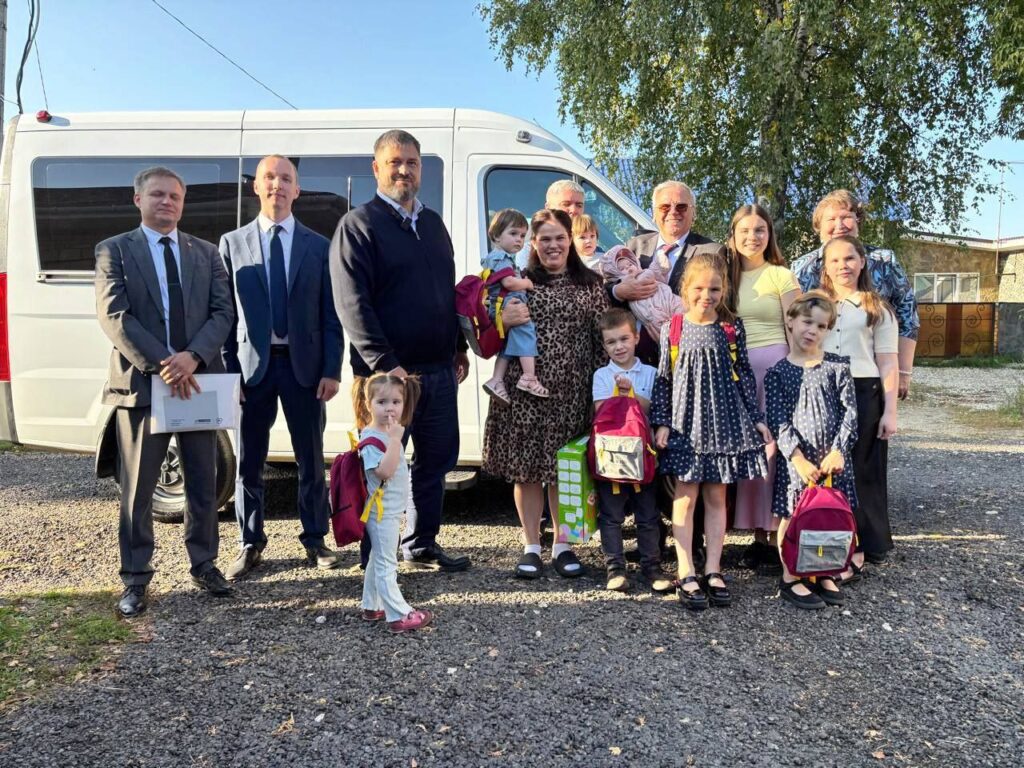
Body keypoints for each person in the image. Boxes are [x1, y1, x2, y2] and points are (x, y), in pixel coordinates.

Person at [95, 166, 235, 617]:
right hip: (143, 386)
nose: (167, 202)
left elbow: (223, 312)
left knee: (204, 482)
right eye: (157, 194)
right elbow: (115, 316)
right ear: (138, 199)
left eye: (175, 196)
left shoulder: (206, 253)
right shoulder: (114, 250)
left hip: (198, 381)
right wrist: (164, 364)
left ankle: (204, 564)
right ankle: (136, 579)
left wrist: (192, 357)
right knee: (138, 490)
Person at [330, 130, 471, 572]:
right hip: (386, 381)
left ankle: (421, 544)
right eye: (395, 162)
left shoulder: (432, 224)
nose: (404, 171)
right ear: (377, 168)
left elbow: (445, 292)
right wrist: (388, 366)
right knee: (379, 468)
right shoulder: (359, 225)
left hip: (437, 372)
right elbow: (352, 304)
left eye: (411, 162)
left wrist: (458, 346)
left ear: (421, 169)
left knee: (436, 462)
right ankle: (376, 559)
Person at [220, 155, 344, 581]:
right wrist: (228, 374)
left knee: (310, 458)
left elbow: (331, 314)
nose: (278, 185)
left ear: (297, 189)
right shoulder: (231, 244)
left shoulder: (319, 246)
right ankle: (250, 542)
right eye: (270, 178)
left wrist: (332, 369)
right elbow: (225, 316)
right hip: (250, 371)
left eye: (286, 178)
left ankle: (315, 538)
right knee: (248, 461)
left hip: (303, 369)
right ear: (256, 186)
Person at [482, 209, 608, 579]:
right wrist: (501, 320)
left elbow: (602, 342)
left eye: (560, 238)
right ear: (534, 243)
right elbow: (487, 326)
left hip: (573, 393)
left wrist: (601, 396)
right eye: (545, 239)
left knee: (562, 471)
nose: (553, 245)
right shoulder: (519, 280)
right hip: (525, 393)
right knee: (527, 472)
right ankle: (532, 546)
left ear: (570, 240)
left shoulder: (591, 284)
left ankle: (563, 545)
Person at [650, 252, 770, 610]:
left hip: (722, 423)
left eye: (715, 289)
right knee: (685, 498)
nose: (707, 295)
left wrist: (756, 417)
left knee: (717, 498)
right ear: (685, 289)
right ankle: (686, 567)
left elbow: (744, 375)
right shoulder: (672, 328)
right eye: (699, 288)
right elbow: (663, 379)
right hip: (685, 426)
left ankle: (714, 568)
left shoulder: (731, 328)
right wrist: (661, 421)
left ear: (724, 289)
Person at [765, 292, 858, 610]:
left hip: (832, 460)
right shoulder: (778, 372)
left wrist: (839, 450)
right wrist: (797, 458)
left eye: (821, 326)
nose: (812, 330)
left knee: (829, 516)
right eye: (807, 322)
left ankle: (824, 571)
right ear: (791, 321)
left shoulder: (837, 366)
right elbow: (778, 420)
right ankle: (791, 576)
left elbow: (850, 413)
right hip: (799, 462)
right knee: (793, 516)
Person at [724, 204, 800, 569]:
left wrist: (797, 374)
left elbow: (796, 326)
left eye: (760, 230)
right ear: (733, 235)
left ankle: (774, 534)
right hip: (736, 372)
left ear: (769, 235)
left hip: (775, 368)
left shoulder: (781, 275)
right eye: (745, 230)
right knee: (749, 449)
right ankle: (754, 532)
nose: (752, 237)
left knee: (774, 448)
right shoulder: (726, 277)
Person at [820, 236, 899, 582]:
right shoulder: (816, 304)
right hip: (824, 390)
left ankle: (861, 546)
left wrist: (890, 411)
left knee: (862, 469)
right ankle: (827, 540)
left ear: (862, 261)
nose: (843, 266)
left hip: (863, 389)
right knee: (829, 468)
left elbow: (888, 361)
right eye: (835, 260)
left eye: (850, 258)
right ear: (826, 266)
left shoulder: (876, 308)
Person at [790, 189, 918, 400]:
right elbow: (793, 321)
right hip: (817, 375)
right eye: (831, 219)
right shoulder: (802, 268)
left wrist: (903, 372)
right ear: (818, 227)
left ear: (858, 222)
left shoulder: (884, 261)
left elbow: (908, 315)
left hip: (872, 375)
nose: (839, 225)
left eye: (846, 217)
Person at [592, 308, 672, 593]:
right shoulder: (602, 375)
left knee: (648, 514)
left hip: (644, 459)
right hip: (611, 458)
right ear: (604, 346)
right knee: (611, 515)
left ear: (636, 337)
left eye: (624, 339)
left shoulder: (650, 373)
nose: (619, 346)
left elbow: (653, 408)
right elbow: (600, 411)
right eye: (611, 342)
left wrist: (630, 395)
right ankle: (615, 568)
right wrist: (619, 395)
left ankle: (652, 567)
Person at [353, 373, 434, 633]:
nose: (390, 408)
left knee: (378, 557)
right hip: (381, 513)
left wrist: (395, 438)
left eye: (396, 402)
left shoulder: (387, 433)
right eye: (382, 402)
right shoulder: (372, 439)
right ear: (368, 404)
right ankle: (399, 615)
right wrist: (397, 441)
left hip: (389, 510)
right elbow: (384, 472)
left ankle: (372, 604)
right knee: (387, 563)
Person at [480, 208, 548, 403]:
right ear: (496, 235)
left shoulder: (503, 257)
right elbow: (509, 283)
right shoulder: (500, 257)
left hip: (502, 305)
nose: (519, 239)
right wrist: (526, 283)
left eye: (522, 235)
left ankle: (496, 379)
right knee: (526, 332)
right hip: (509, 304)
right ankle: (529, 377)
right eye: (513, 233)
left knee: (507, 347)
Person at [600, 244, 681, 344]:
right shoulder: (623, 285)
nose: (629, 268)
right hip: (652, 317)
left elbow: (656, 268)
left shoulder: (645, 272)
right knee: (664, 333)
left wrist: (660, 256)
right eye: (622, 268)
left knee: (681, 309)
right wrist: (618, 290)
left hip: (669, 300)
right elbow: (606, 291)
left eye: (630, 264)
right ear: (614, 273)